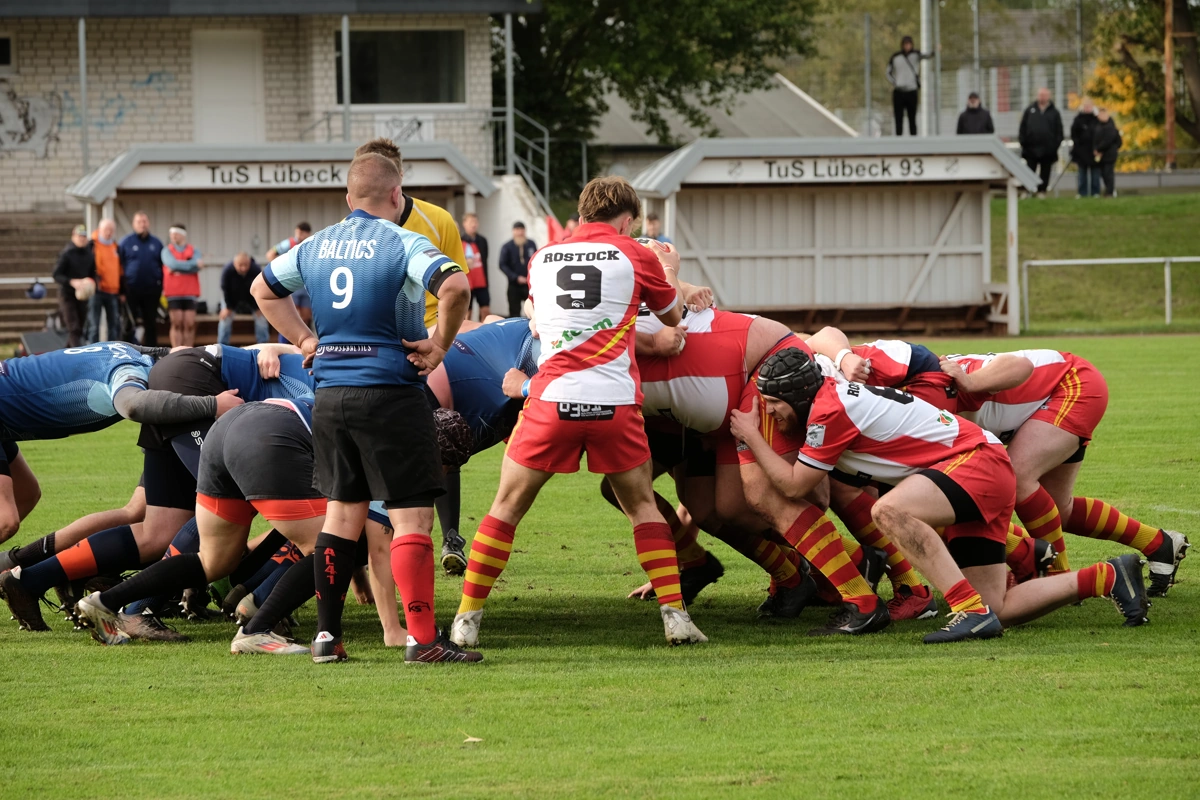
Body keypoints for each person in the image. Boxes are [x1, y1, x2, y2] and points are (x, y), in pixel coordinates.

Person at [733, 349, 1150, 644]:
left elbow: (793, 487)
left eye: (772, 403)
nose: (769, 412)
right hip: (979, 466)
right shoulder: (826, 395)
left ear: (798, 395)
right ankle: (1108, 576)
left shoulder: (827, 410)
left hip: (976, 463)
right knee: (997, 607)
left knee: (890, 510)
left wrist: (752, 436)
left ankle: (966, 608)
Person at [449, 176, 708, 649]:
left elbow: (553, 320)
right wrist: (669, 268)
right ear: (627, 219)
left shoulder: (542, 256)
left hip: (550, 398)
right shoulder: (637, 253)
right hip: (614, 401)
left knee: (505, 508)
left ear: (584, 213)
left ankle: (467, 619)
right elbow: (673, 318)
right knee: (642, 507)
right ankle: (676, 618)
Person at [252, 150, 478, 665]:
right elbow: (457, 286)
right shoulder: (403, 240)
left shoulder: (315, 244)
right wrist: (439, 345)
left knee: (342, 515)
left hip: (329, 396)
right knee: (412, 517)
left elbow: (262, 289)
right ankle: (422, 639)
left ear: (348, 198)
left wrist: (306, 341)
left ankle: (327, 637)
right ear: (398, 196)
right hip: (391, 393)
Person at [75, 397, 325, 651]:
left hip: (224, 430)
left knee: (212, 561)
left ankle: (105, 602)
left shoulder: (336, 395)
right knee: (330, 547)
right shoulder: (360, 412)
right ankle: (257, 630)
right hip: (267, 433)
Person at [353, 139, 470, 329]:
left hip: (431, 330)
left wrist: (441, 342)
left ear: (399, 177)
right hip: (375, 336)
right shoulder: (344, 232)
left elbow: (459, 291)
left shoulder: (439, 220)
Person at [118, 211, 164, 346]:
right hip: (131, 290)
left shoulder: (156, 243)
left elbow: (162, 267)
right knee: (128, 323)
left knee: (151, 323)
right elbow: (119, 267)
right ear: (134, 224)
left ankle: (152, 354)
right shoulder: (126, 242)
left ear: (148, 223)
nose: (142, 225)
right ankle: (125, 351)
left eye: (144, 221)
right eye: (139, 222)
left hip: (151, 291)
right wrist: (121, 290)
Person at [266, 222, 314, 342]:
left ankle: (302, 344)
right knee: (291, 316)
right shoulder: (290, 243)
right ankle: (285, 344)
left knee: (306, 317)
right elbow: (270, 254)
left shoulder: (311, 244)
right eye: (297, 232)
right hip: (292, 284)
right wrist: (281, 270)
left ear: (307, 234)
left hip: (306, 286)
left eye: (301, 233)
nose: (298, 235)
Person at [53, 224, 96, 347]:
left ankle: (64, 355)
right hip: (67, 295)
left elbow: (93, 273)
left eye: (84, 236)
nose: (82, 239)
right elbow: (56, 274)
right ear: (73, 236)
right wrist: (72, 282)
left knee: (79, 329)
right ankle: (78, 358)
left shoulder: (89, 254)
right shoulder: (67, 253)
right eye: (79, 236)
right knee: (74, 327)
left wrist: (91, 282)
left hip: (83, 295)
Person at [161, 223, 202, 347]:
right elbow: (172, 264)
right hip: (173, 292)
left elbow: (198, 265)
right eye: (171, 234)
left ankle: (188, 350)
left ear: (182, 235)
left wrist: (179, 268)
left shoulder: (194, 250)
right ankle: (177, 350)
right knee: (177, 323)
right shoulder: (167, 250)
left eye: (175, 234)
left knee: (189, 323)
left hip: (190, 292)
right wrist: (190, 265)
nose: (173, 236)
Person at [1018, 87, 1064, 195]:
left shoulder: (1054, 113)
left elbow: (1059, 131)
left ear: (1049, 96)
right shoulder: (1029, 110)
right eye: (1040, 95)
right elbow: (1022, 128)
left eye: (1044, 95)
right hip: (1031, 149)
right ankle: (1027, 190)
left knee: (1045, 171)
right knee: (1029, 171)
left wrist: (1054, 146)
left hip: (1048, 150)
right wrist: (1023, 142)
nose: (1042, 97)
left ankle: (1041, 192)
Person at [218, 253, 269, 345]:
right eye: (240, 265)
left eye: (246, 265)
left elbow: (260, 289)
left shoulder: (256, 270)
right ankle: (222, 345)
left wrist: (258, 307)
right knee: (225, 319)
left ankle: (263, 344)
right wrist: (228, 307)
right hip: (231, 298)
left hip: (252, 298)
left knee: (261, 318)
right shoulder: (227, 270)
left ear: (250, 263)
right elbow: (225, 289)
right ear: (234, 264)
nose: (244, 268)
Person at [886, 36, 932, 136]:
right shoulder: (895, 57)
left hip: (911, 91)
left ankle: (913, 141)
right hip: (899, 91)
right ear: (902, 45)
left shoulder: (916, 54)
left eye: (909, 44)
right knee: (899, 119)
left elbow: (927, 56)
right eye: (905, 44)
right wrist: (895, 82)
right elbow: (888, 72)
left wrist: (935, 50)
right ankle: (899, 140)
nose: (907, 46)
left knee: (912, 118)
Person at [88, 219, 123, 343]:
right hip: (97, 291)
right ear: (100, 230)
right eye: (106, 230)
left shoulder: (116, 247)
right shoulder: (92, 245)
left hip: (112, 291)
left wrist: (122, 291)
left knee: (114, 325)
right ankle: (92, 352)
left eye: (111, 230)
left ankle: (111, 351)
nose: (108, 233)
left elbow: (120, 270)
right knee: (94, 325)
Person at [498, 221, 537, 318]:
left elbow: (536, 260)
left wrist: (530, 277)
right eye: (517, 230)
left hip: (529, 285)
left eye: (522, 230)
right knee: (514, 312)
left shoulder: (531, 244)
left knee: (532, 311)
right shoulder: (507, 247)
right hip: (514, 285)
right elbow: (502, 264)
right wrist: (515, 277)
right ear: (513, 231)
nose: (520, 233)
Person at [461, 212, 490, 320]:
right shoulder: (460, 240)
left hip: (481, 281)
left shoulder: (482, 241)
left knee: (486, 310)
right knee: (467, 312)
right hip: (467, 282)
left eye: (475, 222)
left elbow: (485, 259)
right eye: (471, 222)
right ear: (464, 223)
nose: (473, 224)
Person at [1070, 98, 1101, 197]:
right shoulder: (1078, 120)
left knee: (1095, 173)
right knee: (1082, 173)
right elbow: (1074, 134)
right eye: (1086, 106)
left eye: (1089, 106)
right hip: (1081, 152)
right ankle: (1082, 192)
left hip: (1094, 151)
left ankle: (1095, 192)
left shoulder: (1097, 120)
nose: (1087, 108)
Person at [1093, 108, 1122, 198]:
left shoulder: (1111, 127)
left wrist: (1099, 149)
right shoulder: (1097, 126)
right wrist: (1096, 149)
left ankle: (1110, 192)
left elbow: (1110, 141)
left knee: (1108, 173)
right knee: (1104, 174)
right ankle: (1108, 191)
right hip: (1101, 155)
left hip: (1109, 155)